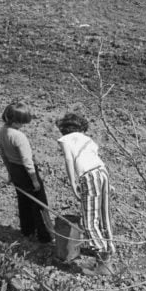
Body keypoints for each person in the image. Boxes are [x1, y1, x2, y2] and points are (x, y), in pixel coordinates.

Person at [55, 113, 115, 276]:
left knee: (89, 221)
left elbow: (69, 160)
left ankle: (104, 263)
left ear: (64, 129)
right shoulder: (88, 140)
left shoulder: (66, 140)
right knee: (104, 216)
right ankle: (108, 248)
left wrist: (73, 183)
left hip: (89, 177)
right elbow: (95, 158)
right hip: (102, 173)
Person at [0, 102, 53, 244]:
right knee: (39, 204)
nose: (23, 125)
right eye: (22, 122)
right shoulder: (19, 136)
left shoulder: (2, 131)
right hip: (26, 172)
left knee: (23, 201)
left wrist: (10, 172)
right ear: (16, 120)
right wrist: (34, 179)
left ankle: (27, 230)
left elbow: (3, 154)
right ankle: (45, 235)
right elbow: (27, 160)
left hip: (15, 171)